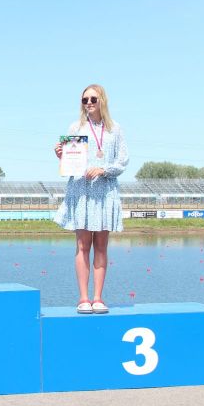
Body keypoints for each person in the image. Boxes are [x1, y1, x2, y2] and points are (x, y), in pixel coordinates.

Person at [54, 84, 129, 314]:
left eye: (93, 99)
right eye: (84, 99)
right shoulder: (76, 127)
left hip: (105, 191)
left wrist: (103, 170)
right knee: (82, 245)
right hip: (82, 191)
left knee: (101, 246)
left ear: (102, 101)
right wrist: (61, 155)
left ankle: (98, 297)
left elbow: (123, 161)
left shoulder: (115, 129)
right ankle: (83, 298)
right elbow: (70, 164)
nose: (88, 103)